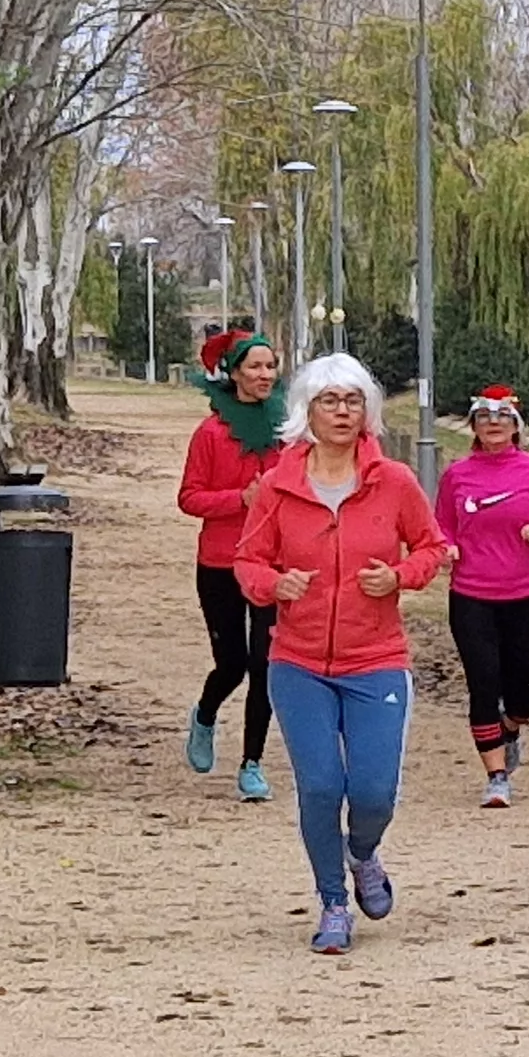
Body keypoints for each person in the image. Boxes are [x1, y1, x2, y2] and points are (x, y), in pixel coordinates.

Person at [232, 354, 446, 955]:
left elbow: (433, 547)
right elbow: (248, 562)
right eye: (330, 401)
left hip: (375, 657)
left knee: (374, 792)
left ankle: (363, 853)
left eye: (353, 401)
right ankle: (332, 902)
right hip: (298, 661)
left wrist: (400, 576)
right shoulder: (278, 485)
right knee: (321, 786)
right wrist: (275, 587)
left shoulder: (395, 481)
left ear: (368, 411)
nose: (343, 412)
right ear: (307, 410)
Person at [436, 383, 529, 805]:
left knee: (521, 693)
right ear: (473, 427)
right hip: (472, 594)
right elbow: (440, 524)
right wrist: (446, 545)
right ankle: (496, 777)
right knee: (482, 682)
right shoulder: (457, 475)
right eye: (484, 418)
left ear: (516, 426)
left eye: (502, 419)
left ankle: (511, 728)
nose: (493, 425)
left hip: (527, 594)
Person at [177, 326, 285, 801]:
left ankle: (252, 763)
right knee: (233, 664)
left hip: (274, 563)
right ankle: (204, 714)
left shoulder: (289, 428)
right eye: (255, 366)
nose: (265, 375)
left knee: (266, 664)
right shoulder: (211, 433)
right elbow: (189, 497)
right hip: (220, 562)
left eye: (270, 366)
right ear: (235, 373)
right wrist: (240, 499)